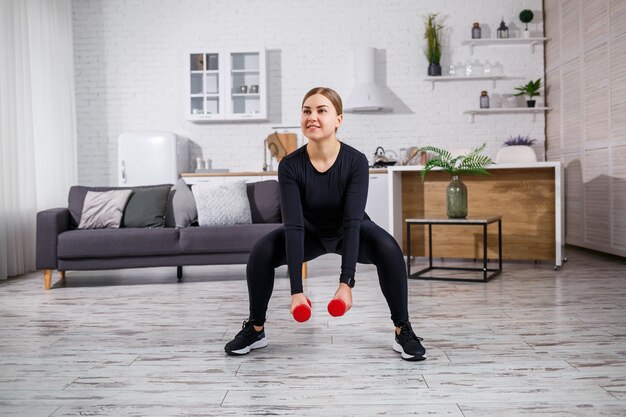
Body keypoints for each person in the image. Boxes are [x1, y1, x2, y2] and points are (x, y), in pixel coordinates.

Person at [224, 87, 426, 361]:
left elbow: (353, 223)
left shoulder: (355, 161)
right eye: (307, 111)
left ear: (338, 120)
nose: (312, 117)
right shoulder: (290, 166)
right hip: (310, 233)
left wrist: (346, 283)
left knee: (389, 249)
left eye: (321, 110)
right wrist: (297, 291)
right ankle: (256, 328)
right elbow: (293, 227)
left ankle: (403, 329)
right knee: (262, 252)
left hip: (348, 231)